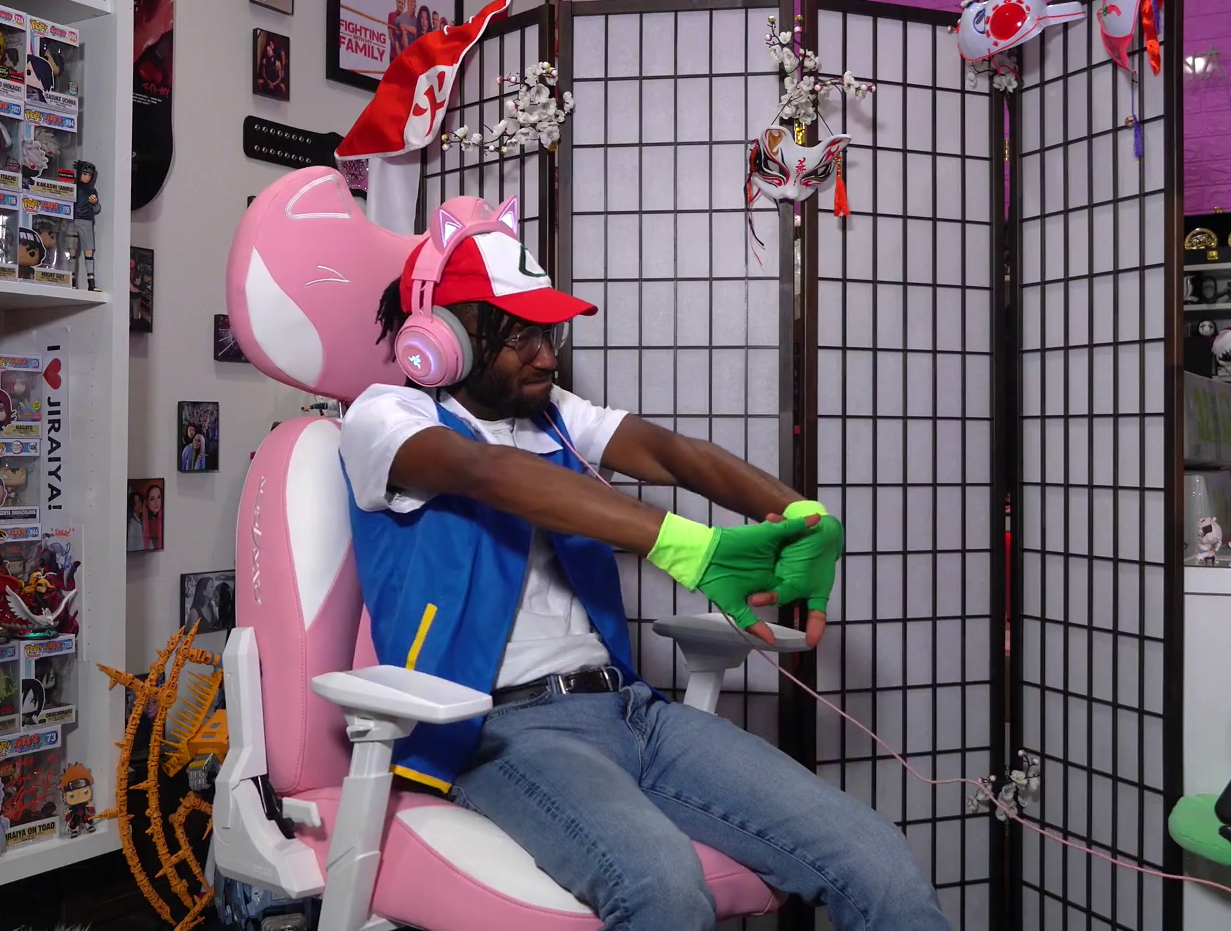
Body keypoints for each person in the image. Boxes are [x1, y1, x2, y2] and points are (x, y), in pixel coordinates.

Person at [337, 216, 949, 930]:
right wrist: (691, 550)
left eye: (550, 334)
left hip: (633, 710)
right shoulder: (387, 419)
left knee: (874, 857)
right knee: (660, 885)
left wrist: (804, 516)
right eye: (521, 336)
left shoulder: (553, 417)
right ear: (448, 337)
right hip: (499, 730)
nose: (547, 357)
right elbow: (488, 473)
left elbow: (669, 452)